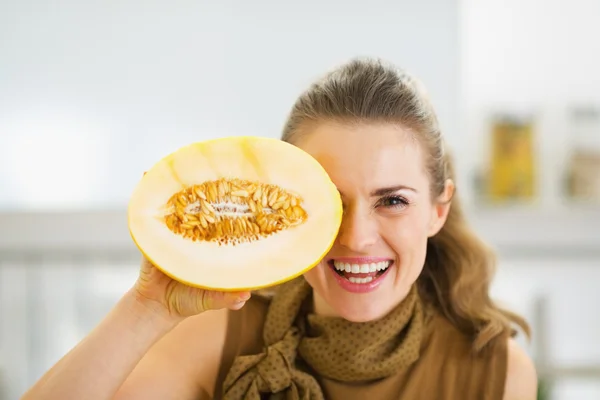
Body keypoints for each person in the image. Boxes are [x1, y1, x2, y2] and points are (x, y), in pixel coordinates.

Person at [21, 58, 537, 400]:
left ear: (437, 211)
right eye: (331, 203)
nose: (357, 237)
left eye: (393, 201)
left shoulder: (496, 373)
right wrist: (145, 309)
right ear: (285, 209)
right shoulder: (220, 337)